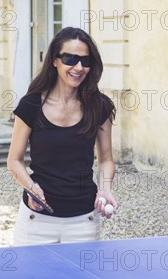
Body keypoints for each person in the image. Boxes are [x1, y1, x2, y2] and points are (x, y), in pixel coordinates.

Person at [7, 27, 117, 246]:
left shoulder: (100, 106)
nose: (79, 67)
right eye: (70, 59)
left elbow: (106, 159)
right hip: (36, 222)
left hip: (83, 221)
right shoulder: (31, 105)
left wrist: (104, 189)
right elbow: (14, 160)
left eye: (85, 61)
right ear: (54, 61)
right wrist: (31, 187)